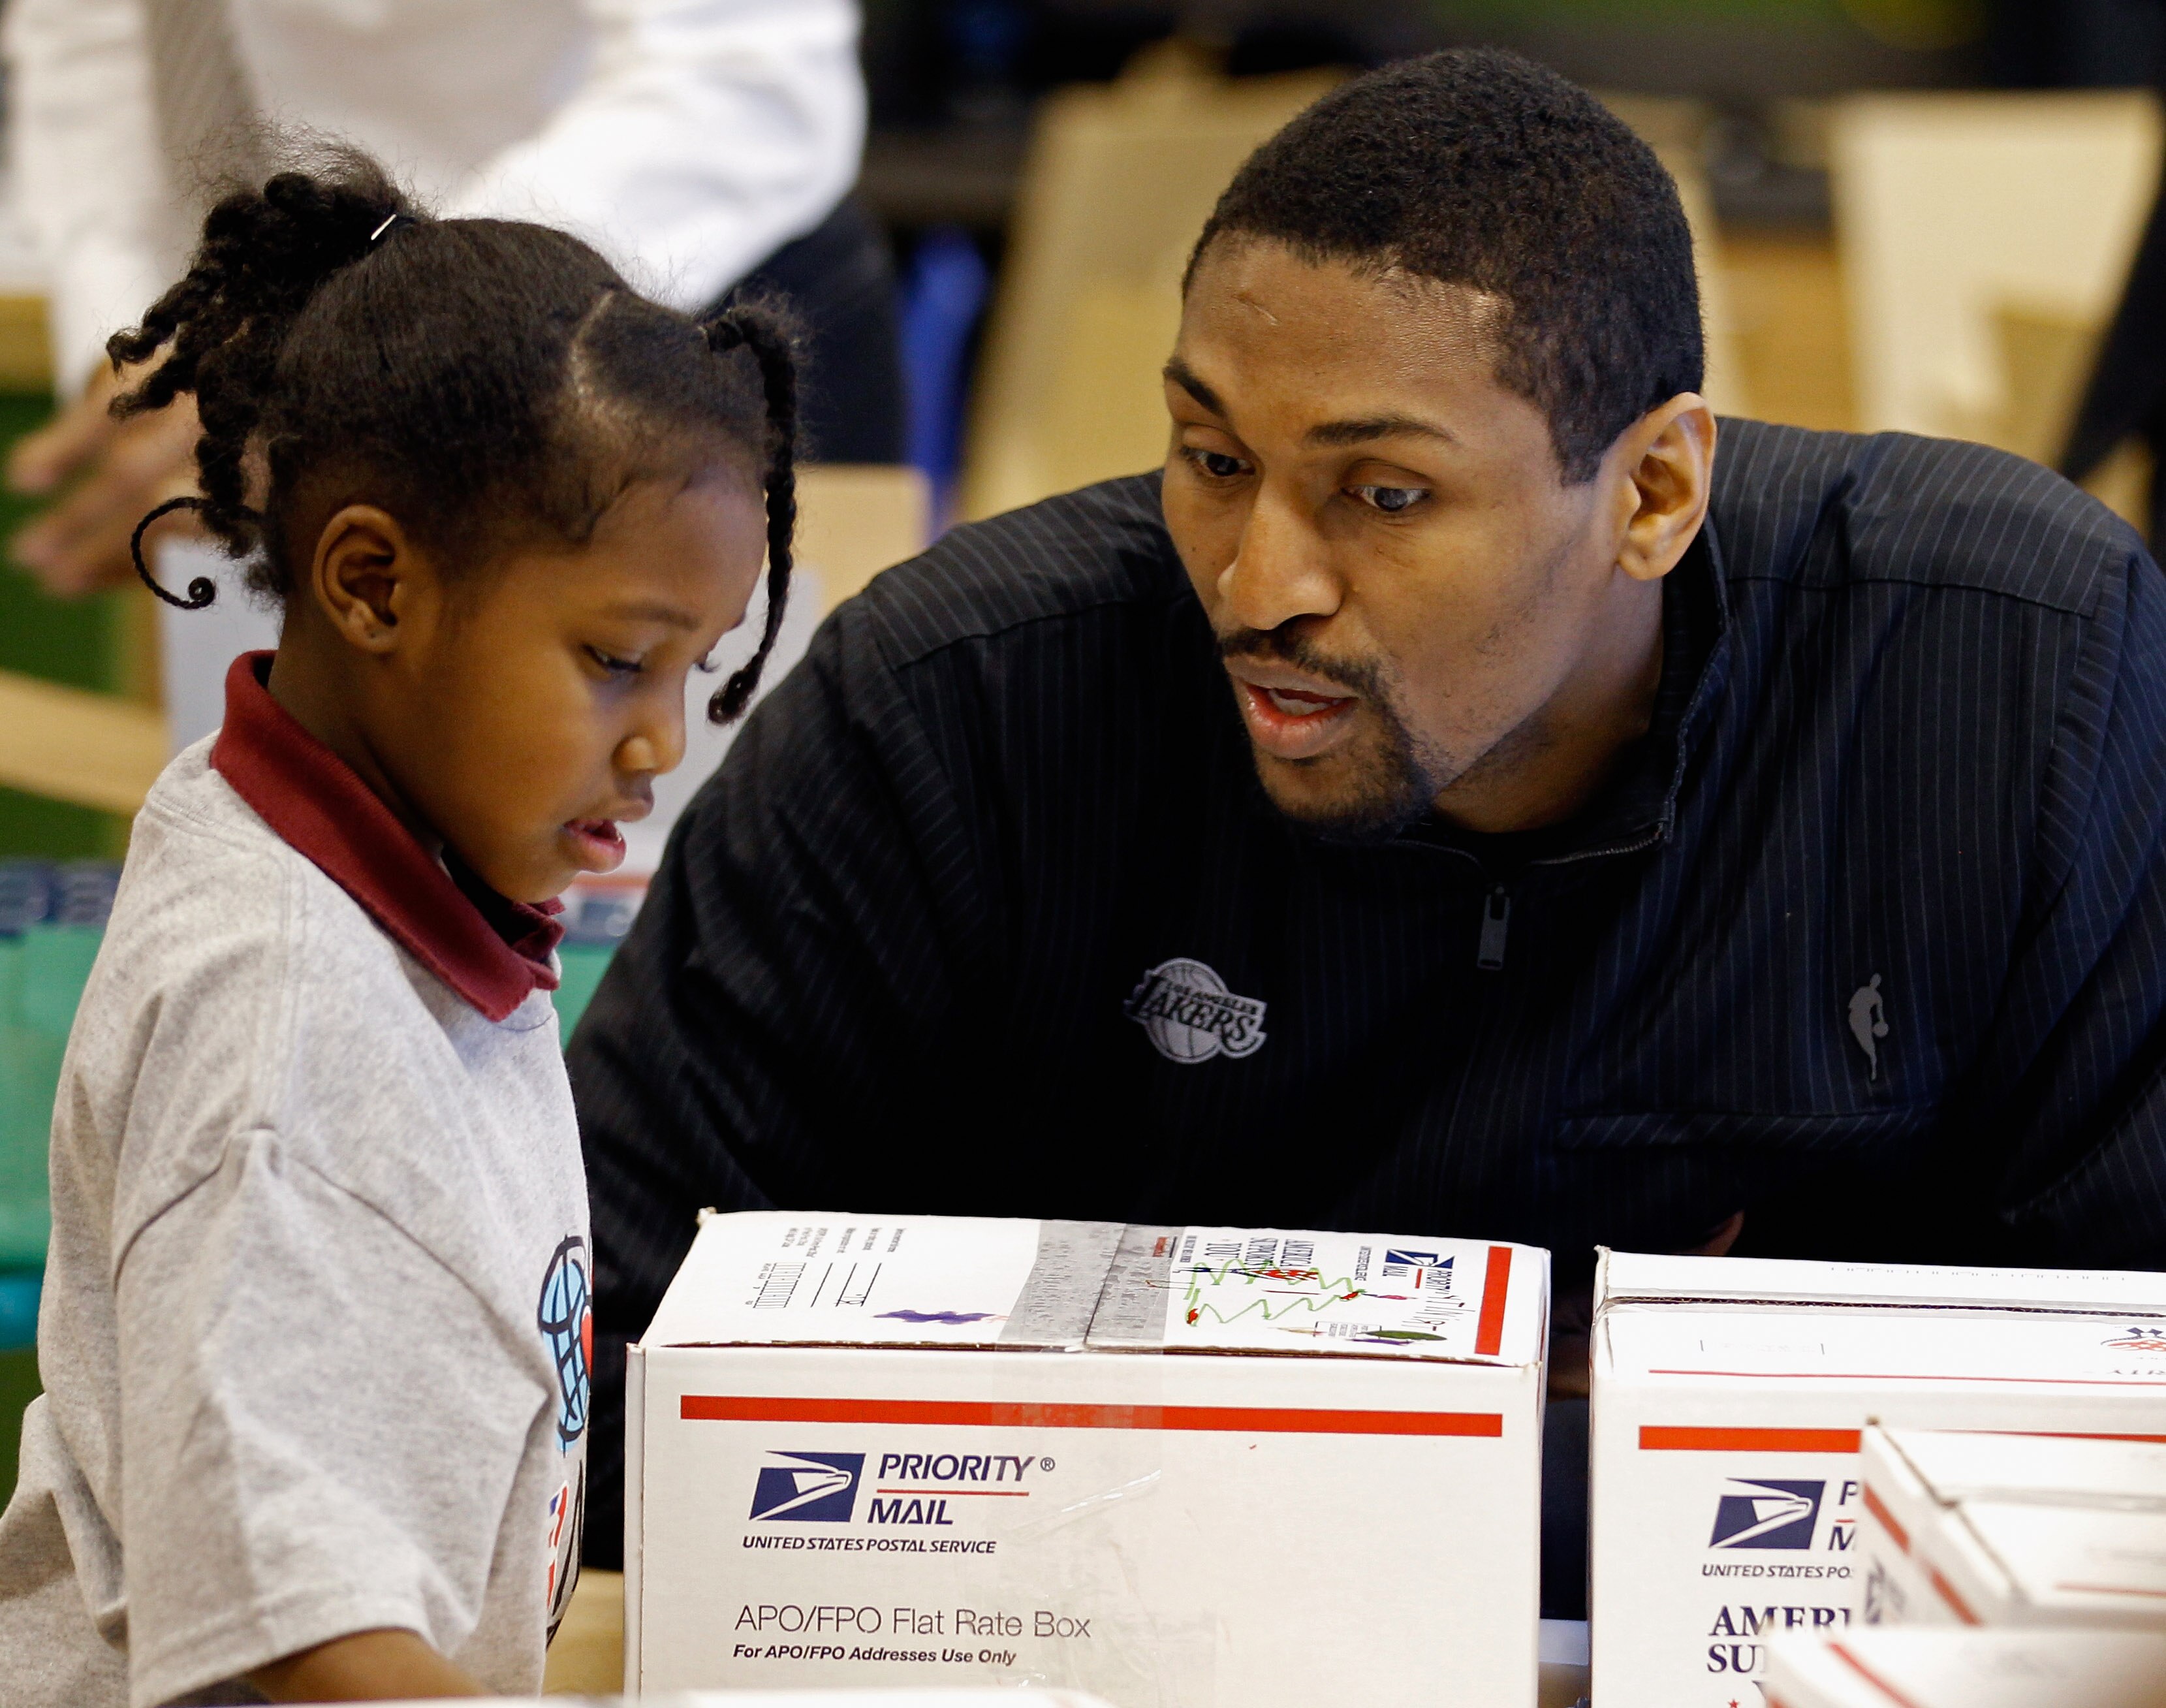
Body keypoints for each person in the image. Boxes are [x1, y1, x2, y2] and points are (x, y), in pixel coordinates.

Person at [567, 46, 2166, 1615]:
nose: (1259, 588)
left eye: (1385, 495)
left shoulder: (2013, 678)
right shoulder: (957, 709)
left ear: (1654, 494)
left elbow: (2133, 1400)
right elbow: (583, 1376)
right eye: (1213, 460)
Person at [0, 151, 797, 1702]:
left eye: (691, 676)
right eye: (617, 660)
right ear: (373, 583)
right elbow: (307, 1640)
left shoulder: (388, 894)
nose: (658, 745)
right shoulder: (281, 1029)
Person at [3, 0, 888, 598]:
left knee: (683, 824)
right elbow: (101, 38)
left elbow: (739, 76)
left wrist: (351, 332)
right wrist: (146, 352)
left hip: (674, 288)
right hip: (309, 344)